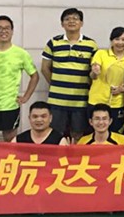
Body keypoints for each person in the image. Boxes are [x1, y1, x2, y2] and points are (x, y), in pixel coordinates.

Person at [41, 8, 98, 142]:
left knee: (78, 134)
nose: (71, 21)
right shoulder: (53, 42)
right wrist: (56, 84)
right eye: (67, 19)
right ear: (62, 24)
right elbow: (45, 68)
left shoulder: (91, 44)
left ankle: (76, 156)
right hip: (57, 100)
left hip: (80, 100)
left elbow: (94, 71)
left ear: (81, 23)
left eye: (75, 18)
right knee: (56, 133)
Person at [89, 27, 124, 133]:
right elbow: (93, 76)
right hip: (97, 101)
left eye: (123, 39)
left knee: (115, 134)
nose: (120, 42)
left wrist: (122, 89)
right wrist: (95, 72)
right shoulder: (101, 54)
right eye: (117, 39)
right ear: (111, 40)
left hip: (117, 104)